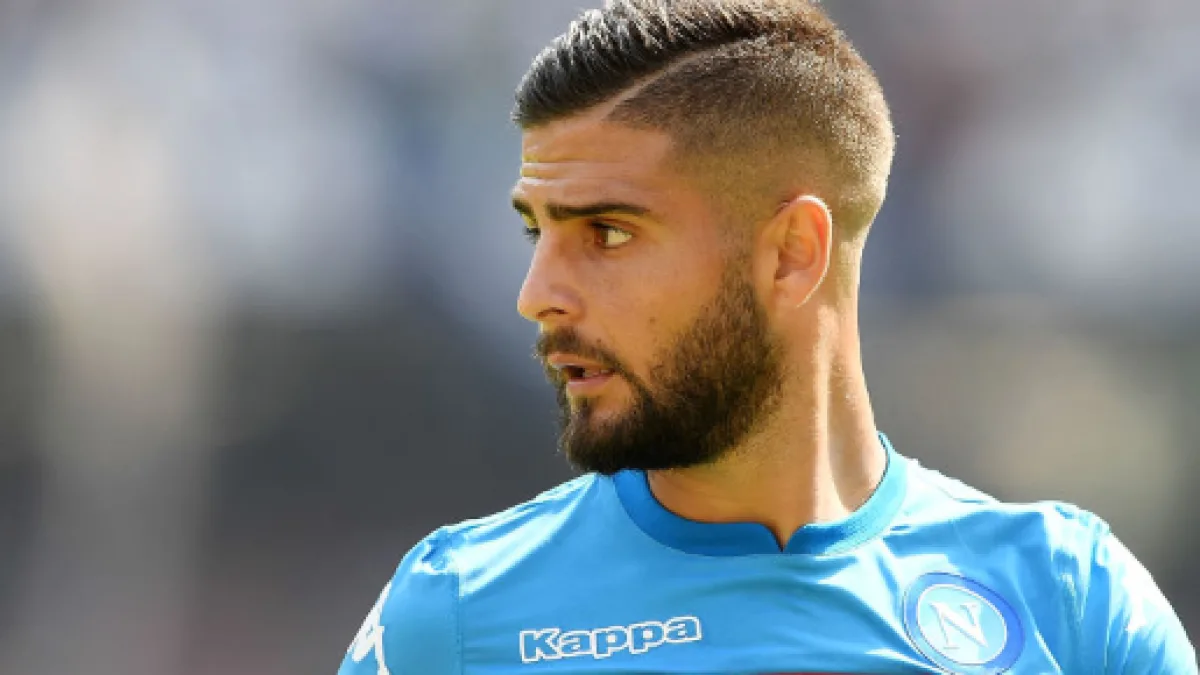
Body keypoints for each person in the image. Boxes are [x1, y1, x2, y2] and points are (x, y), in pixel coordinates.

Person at [335, 1, 1198, 672]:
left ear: (792, 253)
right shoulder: (454, 614)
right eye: (538, 232)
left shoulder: (1072, 602)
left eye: (608, 233)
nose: (537, 297)